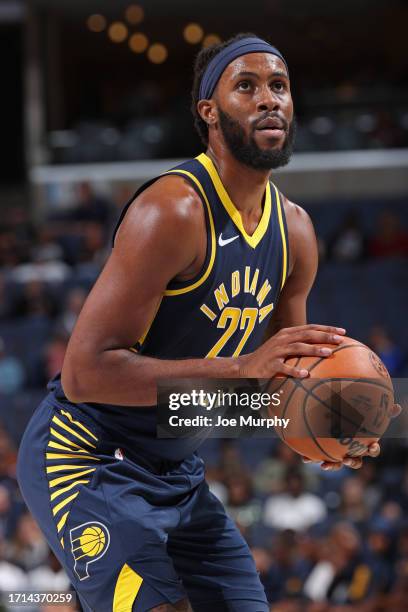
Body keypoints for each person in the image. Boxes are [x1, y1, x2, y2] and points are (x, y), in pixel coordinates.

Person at [17, 33, 396, 612]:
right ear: (210, 113)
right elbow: (84, 375)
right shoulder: (173, 211)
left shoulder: (295, 232)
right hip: (86, 456)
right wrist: (240, 367)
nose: (269, 99)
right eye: (246, 86)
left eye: (280, 86)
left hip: (176, 465)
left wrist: (328, 420)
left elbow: (268, 389)